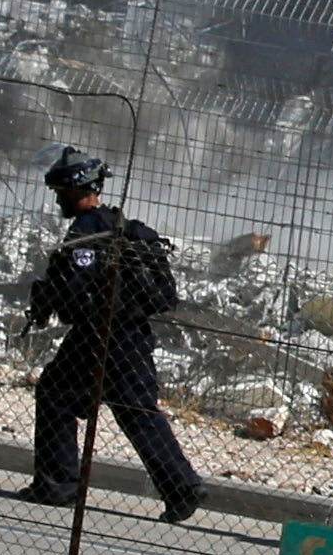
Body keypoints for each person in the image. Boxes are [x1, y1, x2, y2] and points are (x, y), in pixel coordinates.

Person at [19, 146, 201, 521]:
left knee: (54, 393)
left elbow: (75, 290)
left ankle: (58, 483)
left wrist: (51, 299)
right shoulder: (121, 225)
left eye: (61, 192)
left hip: (98, 336)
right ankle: (182, 487)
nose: (58, 199)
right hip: (134, 336)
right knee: (138, 412)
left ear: (77, 188)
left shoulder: (86, 231)